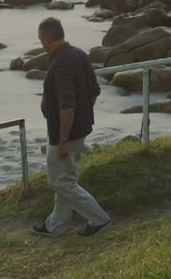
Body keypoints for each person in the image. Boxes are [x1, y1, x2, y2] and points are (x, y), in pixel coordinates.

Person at [31, 17, 113, 238]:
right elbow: (94, 90)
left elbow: (67, 105)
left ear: (47, 40)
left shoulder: (60, 64)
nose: (40, 43)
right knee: (66, 179)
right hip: (81, 128)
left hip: (65, 134)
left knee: (59, 182)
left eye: (40, 39)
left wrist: (64, 138)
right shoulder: (79, 54)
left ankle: (100, 219)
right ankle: (56, 225)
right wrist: (85, 116)